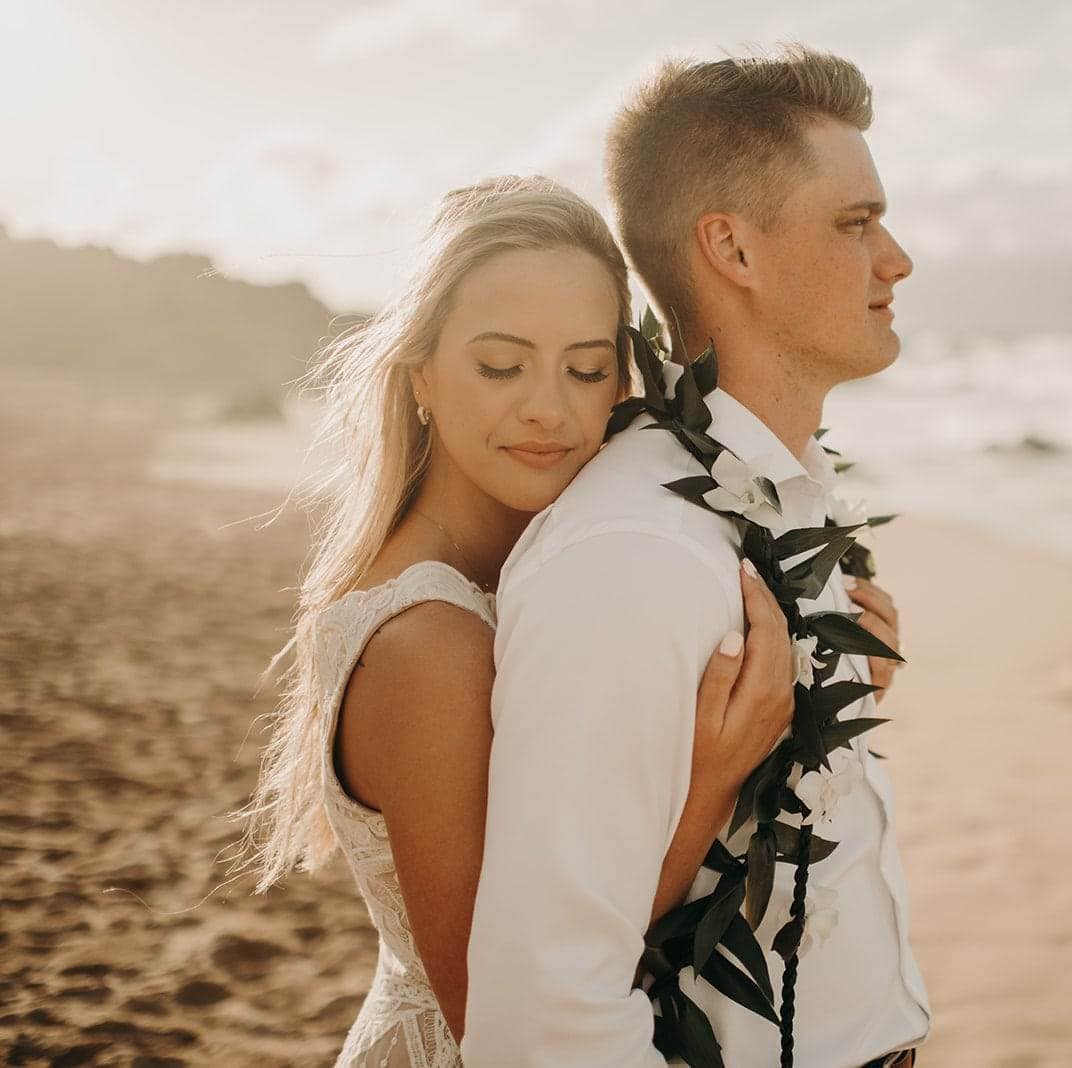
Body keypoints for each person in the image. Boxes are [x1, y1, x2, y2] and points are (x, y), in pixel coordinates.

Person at [230, 175, 906, 1066]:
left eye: (587, 369)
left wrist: (829, 658)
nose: (548, 407)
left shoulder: (548, 566)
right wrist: (710, 781)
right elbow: (508, 1000)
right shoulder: (430, 641)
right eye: (501, 365)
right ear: (420, 372)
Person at [463, 46, 927, 1066]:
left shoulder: (784, 500)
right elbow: (546, 1014)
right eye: (855, 223)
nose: (895, 259)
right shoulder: (634, 555)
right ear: (733, 249)